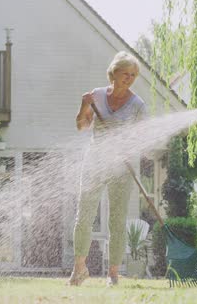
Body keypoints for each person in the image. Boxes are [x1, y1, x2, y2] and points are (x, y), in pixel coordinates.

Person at [69, 51, 147, 287]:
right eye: (126, 74)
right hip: (95, 161)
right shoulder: (96, 96)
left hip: (122, 166)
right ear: (113, 72)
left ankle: (113, 274)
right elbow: (82, 127)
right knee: (84, 216)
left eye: (133, 75)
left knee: (117, 220)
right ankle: (79, 269)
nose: (130, 78)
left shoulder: (137, 105)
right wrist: (84, 105)